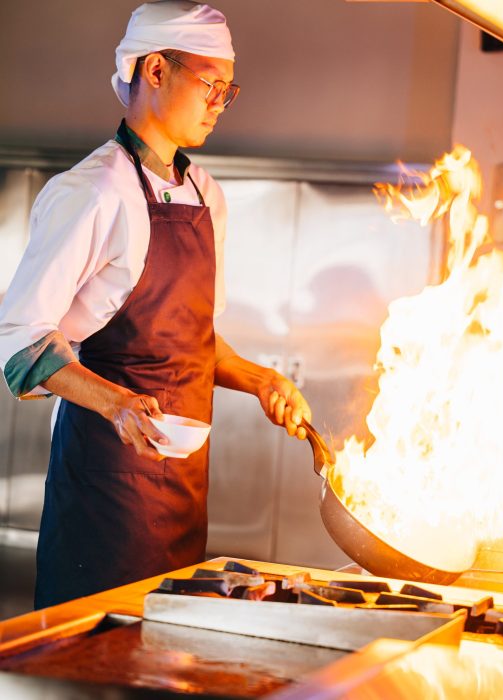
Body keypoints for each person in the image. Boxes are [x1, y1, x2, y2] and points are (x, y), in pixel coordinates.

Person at [0, 1, 311, 609]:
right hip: (104, 492)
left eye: (229, 89)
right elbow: (18, 340)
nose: (219, 103)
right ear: (155, 71)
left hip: (183, 490)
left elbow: (193, 339)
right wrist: (116, 405)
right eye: (209, 84)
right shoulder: (91, 192)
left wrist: (260, 380)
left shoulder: (207, 195)